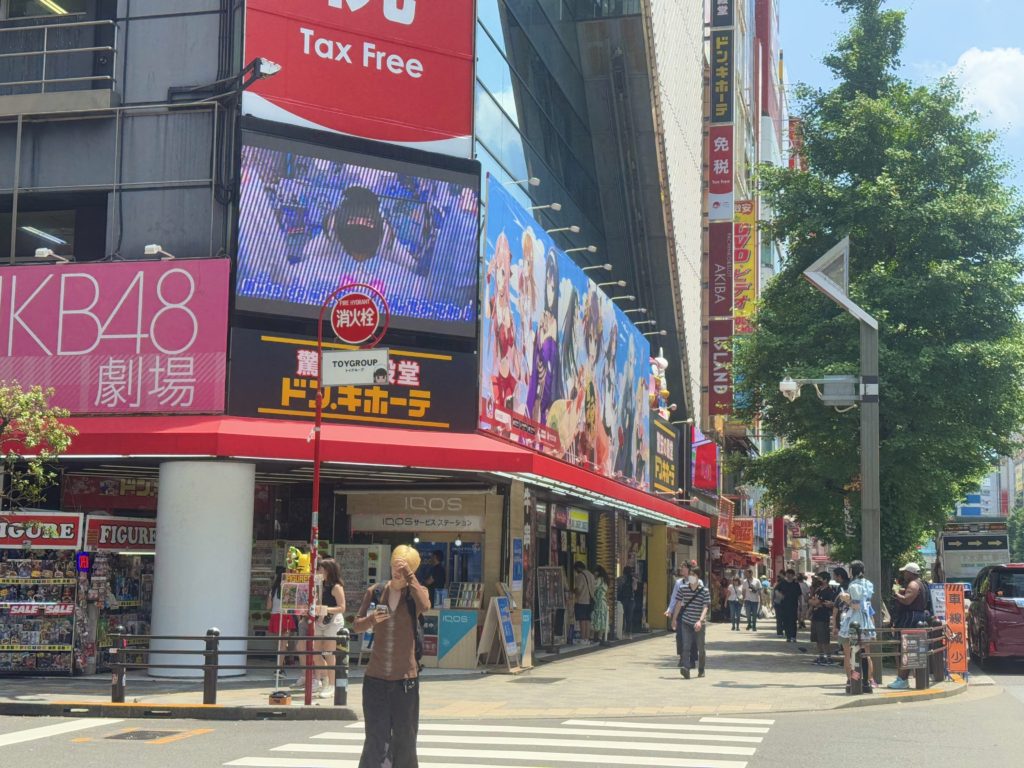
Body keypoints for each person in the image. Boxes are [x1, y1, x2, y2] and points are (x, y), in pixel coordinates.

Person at [353, 545, 430, 768]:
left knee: (405, 738)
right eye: (396, 564)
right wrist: (371, 621)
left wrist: (410, 576)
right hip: (375, 678)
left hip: (405, 679)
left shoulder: (415, 595)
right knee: (375, 737)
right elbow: (356, 625)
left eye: (404, 566)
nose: (398, 570)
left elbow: (425, 605)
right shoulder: (375, 591)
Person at [836, 560, 876, 694]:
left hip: (854, 620)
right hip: (866, 620)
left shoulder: (853, 585)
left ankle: (852, 680)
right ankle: (868, 681)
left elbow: (856, 605)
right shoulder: (869, 584)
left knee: (849, 653)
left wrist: (845, 598)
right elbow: (866, 604)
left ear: (852, 571)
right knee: (866, 653)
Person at [888, 562, 928, 690]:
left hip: (910, 618)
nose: (904, 574)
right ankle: (903, 678)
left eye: (905, 572)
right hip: (917, 617)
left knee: (905, 647)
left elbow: (907, 600)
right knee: (909, 648)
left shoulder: (913, 584)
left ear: (911, 573)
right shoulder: (921, 583)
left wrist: (896, 594)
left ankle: (902, 679)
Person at [312, 557, 347, 699]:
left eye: (320, 568)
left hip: (333, 621)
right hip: (319, 620)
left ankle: (331, 684)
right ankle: (325, 677)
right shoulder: (319, 584)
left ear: (327, 570)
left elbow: (342, 607)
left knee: (329, 652)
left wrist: (325, 609)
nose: (318, 571)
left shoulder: (336, 587)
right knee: (314, 651)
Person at [671, 566, 711, 679]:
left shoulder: (704, 590)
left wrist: (700, 620)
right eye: (690, 575)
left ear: (698, 576)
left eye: (693, 575)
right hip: (686, 621)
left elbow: (705, 607)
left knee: (700, 647)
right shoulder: (683, 588)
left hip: (699, 623)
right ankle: (686, 668)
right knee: (686, 646)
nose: (691, 577)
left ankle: (701, 669)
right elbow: (678, 604)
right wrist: (674, 619)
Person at [266, 566, 298, 681]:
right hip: (285, 616)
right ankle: (279, 668)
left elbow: (268, 607)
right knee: (284, 644)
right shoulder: (289, 588)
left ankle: (280, 666)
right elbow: (292, 607)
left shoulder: (273, 590)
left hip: (275, 616)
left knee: (280, 643)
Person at [809, 571, 839, 665]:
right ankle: (821, 656)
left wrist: (814, 602)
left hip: (823, 618)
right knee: (817, 639)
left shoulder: (828, 591)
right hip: (815, 616)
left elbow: (815, 602)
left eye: (820, 578)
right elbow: (811, 600)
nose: (818, 580)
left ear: (825, 580)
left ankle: (828, 658)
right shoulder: (818, 590)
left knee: (824, 639)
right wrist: (813, 603)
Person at [572, 561, 597, 645]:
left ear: (578, 568)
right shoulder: (591, 575)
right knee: (588, 620)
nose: (576, 571)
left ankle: (582, 638)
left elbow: (578, 589)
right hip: (590, 601)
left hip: (582, 601)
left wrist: (573, 591)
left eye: (576, 569)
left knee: (582, 620)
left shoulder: (580, 576)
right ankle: (587, 638)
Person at [776, 569, 803, 642]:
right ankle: (788, 636)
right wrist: (779, 596)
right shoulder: (782, 583)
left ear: (793, 575)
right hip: (784, 605)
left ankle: (793, 636)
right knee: (786, 621)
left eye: (790, 574)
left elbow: (799, 595)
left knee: (793, 621)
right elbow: (776, 591)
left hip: (794, 605)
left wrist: (801, 604)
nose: (788, 575)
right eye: (787, 574)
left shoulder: (796, 584)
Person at [617, 566, 637, 639]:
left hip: (622, 600)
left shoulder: (620, 579)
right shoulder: (633, 579)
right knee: (629, 618)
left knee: (622, 616)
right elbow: (635, 588)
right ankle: (629, 634)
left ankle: (621, 633)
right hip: (631, 600)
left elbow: (618, 589)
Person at [591, 565, 610, 643]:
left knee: (596, 618)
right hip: (604, 601)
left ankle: (593, 636)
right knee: (603, 619)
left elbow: (593, 587)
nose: (594, 574)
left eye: (595, 572)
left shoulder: (599, 579)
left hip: (598, 602)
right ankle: (600, 637)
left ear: (598, 572)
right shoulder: (605, 580)